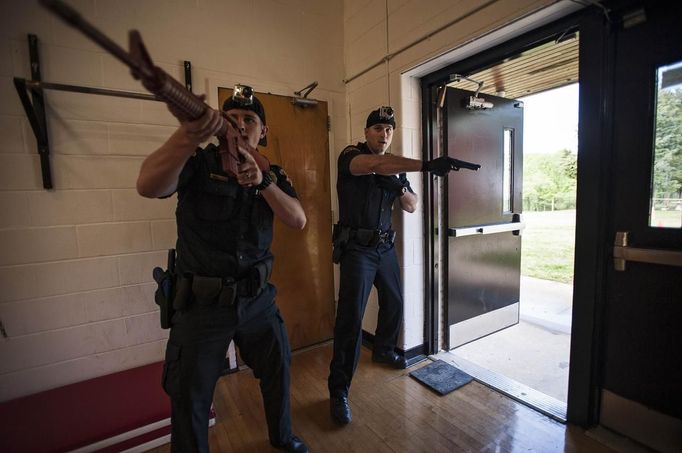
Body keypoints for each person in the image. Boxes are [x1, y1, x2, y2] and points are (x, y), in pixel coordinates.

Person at [137, 86, 309, 453]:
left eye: (250, 120)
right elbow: (148, 185)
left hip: (257, 301)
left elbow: (297, 219)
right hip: (201, 306)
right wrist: (186, 136)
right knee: (190, 398)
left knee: (278, 370)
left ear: (263, 131)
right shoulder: (199, 165)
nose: (241, 125)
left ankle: (282, 438)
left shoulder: (272, 174)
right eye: (232, 119)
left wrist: (263, 184)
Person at [328, 106, 465, 425]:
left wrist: (400, 187)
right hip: (357, 251)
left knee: (395, 303)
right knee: (350, 321)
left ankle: (384, 350)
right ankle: (338, 391)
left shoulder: (395, 170)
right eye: (377, 128)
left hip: (384, 248)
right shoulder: (351, 155)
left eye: (388, 130)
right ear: (366, 133)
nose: (384, 134)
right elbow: (374, 164)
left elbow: (412, 205)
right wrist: (428, 165)